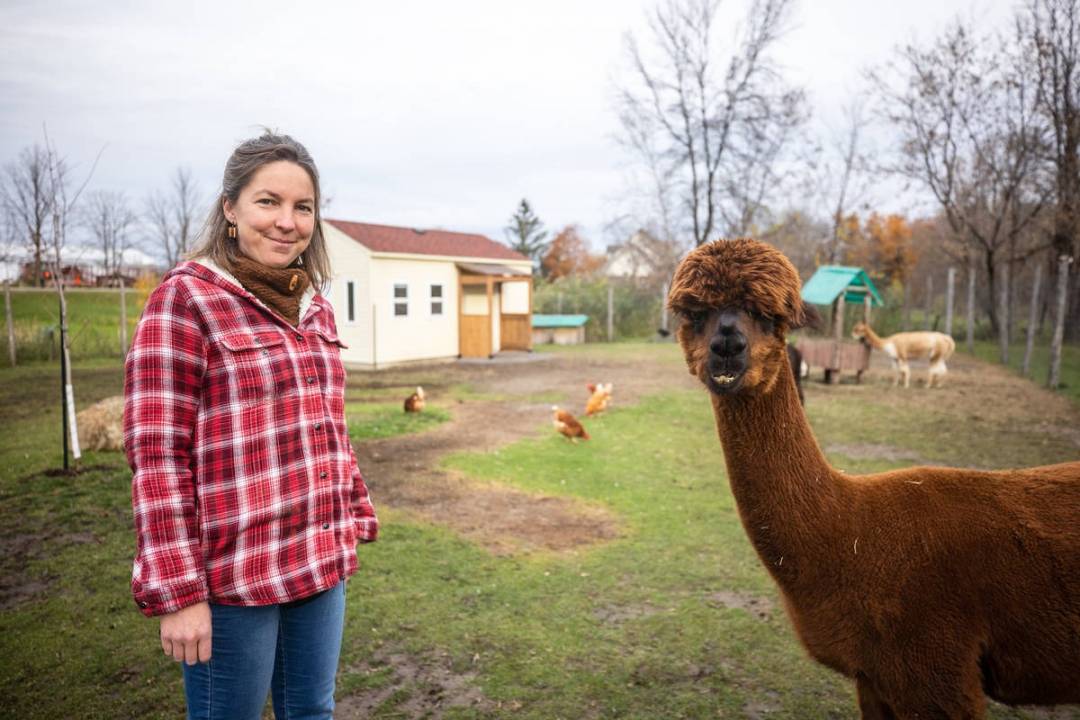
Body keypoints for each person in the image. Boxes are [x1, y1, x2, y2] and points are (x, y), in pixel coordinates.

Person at [124, 132, 378, 720]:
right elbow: (157, 456)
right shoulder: (186, 301)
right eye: (269, 201)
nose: (287, 221)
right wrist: (178, 592)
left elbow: (328, 426)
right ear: (230, 209)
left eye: (303, 206)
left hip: (316, 558)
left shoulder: (314, 304)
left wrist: (351, 511)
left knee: (312, 711)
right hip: (232, 575)